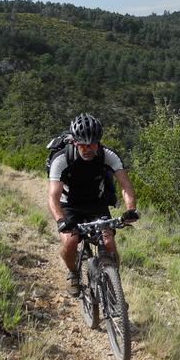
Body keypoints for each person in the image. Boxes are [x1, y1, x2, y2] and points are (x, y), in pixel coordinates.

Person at [48, 113, 139, 296]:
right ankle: (73, 273)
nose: (88, 149)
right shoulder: (62, 159)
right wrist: (60, 220)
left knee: (108, 241)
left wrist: (130, 209)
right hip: (69, 205)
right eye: (83, 144)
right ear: (75, 142)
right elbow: (53, 196)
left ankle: (115, 287)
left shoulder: (108, 155)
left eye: (92, 144)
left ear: (98, 142)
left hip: (96, 203)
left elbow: (125, 185)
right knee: (71, 242)